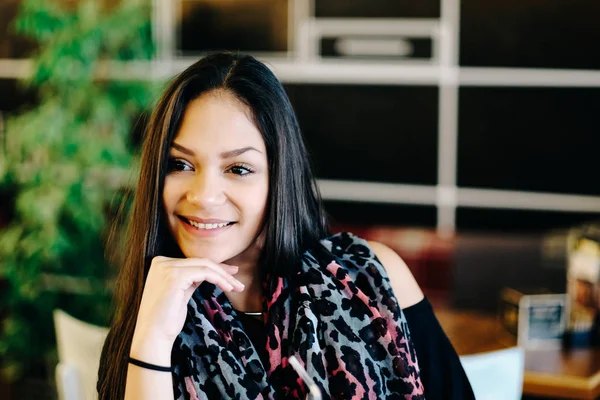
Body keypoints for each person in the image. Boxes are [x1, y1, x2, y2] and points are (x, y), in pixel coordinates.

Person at [97, 51, 474, 399]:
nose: (204, 196)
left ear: (279, 178)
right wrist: (152, 342)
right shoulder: (146, 328)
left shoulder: (371, 279)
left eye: (238, 169)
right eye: (180, 164)